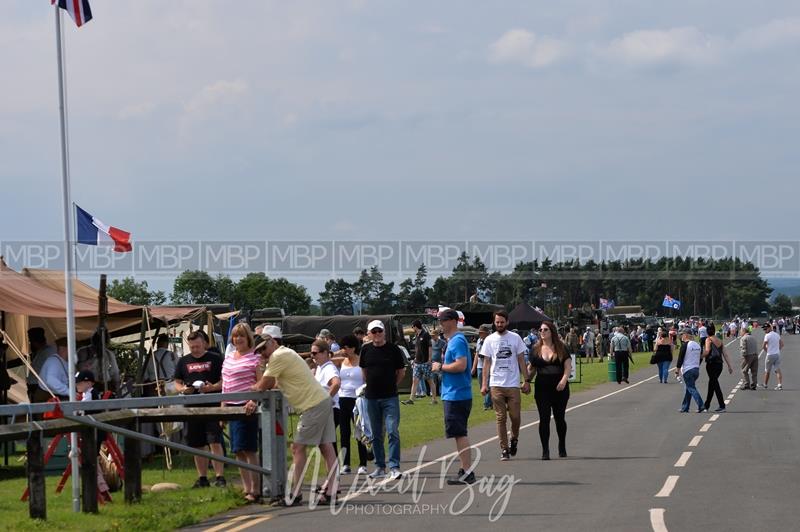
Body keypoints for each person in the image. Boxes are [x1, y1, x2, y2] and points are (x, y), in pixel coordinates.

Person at [251, 326, 339, 506]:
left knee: (298, 448)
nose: (262, 353)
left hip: (313, 405)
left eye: (263, 348)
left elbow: (265, 384)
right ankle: (332, 491)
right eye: (258, 351)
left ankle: (295, 493)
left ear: (273, 342)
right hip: (320, 401)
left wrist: (252, 388)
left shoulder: (278, 356)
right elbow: (276, 382)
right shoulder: (283, 354)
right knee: (326, 447)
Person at [174, 330, 226, 489]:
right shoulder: (183, 361)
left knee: (214, 441)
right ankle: (202, 477)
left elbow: (225, 380)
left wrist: (213, 388)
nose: (195, 350)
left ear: (204, 343)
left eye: (197, 346)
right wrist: (183, 389)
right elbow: (177, 381)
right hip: (192, 407)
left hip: (212, 405)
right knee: (197, 444)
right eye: (192, 347)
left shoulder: (216, 359)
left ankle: (219, 476)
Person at [432, 308, 475, 484]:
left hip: (457, 394)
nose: (440, 324)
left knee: (459, 433)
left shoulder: (456, 341)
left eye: (442, 320)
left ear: (451, 320)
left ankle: (466, 471)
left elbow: (461, 365)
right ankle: (465, 470)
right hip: (455, 393)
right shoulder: (454, 340)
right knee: (458, 433)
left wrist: (440, 367)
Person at [481, 310, 530, 461]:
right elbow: (487, 363)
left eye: (502, 322)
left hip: (513, 384)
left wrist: (526, 380)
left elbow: (521, 360)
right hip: (496, 384)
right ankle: (504, 449)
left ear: (507, 322)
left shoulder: (515, 338)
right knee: (500, 418)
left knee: (515, 417)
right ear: (494, 323)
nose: (500, 325)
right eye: (497, 322)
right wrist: (484, 384)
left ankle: (514, 439)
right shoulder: (489, 340)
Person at [359, 319, 406, 480]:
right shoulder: (365, 350)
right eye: (374, 332)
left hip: (390, 397)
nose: (377, 334)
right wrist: (370, 385)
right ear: (369, 334)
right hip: (371, 397)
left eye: (379, 331)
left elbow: (401, 371)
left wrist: (393, 385)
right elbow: (364, 371)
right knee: (375, 434)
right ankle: (380, 466)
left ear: (384, 332)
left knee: (392, 430)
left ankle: (394, 466)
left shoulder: (393, 349)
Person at [223, 323, 261, 503]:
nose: (238, 339)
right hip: (230, 405)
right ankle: (246, 487)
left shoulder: (255, 357)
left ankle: (255, 488)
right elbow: (225, 383)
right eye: (235, 336)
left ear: (248, 338)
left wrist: (254, 400)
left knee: (248, 449)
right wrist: (222, 407)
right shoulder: (229, 357)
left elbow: (261, 382)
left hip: (246, 406)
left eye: (241, 336)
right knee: (237, 450)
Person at [528, 320, 571, 460]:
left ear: (551, 331)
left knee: (559, 418)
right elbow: (532, 369)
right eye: (540, 330)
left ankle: (562, 445)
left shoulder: (562, 347)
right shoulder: (535, 349)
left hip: (559, 387)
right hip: (542, 387)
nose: (542, 332)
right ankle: (545, 450)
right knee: (544, 418)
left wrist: (564, 380)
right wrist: (526, 381)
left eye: (545, 330)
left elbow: (568, 367)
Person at [335, 335, 369, 476]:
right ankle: (346, 463)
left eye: (346, 347)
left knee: (359, 431)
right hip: (343, 398)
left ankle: (363, 463)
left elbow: (366, 380)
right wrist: (338, 353)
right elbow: (326, 358)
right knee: (344, 432)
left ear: (353, 347)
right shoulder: (341, 361)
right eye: (343, 347)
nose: (344, 350)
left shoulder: (361, 361)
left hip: (358, 398)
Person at [311, 340, 341, 476]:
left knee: (327, 446)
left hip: (331, 410)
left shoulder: (329, 368)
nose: (313, 356)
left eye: (315, 353)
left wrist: (326, 400)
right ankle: (332, 479)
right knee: (325, 446)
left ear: (325, 353)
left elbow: (336, 384)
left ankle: (333, 479)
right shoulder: (320, 368)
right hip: (325, 410)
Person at [403, 320, 437, 405]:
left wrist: (429, 359)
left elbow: (430, 347)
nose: (412, 328)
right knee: (415, 381)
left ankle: (434, 399)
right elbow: (418, 349)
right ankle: (411, 399)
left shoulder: (425, 335)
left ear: (415, 326)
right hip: (417, 363)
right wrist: (415, 358)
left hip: (425, 362)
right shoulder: (417, 335)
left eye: (412, 327)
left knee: (430, 380)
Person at [702, 323, 733, 412]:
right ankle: (706, 405)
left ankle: (722, 405)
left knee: (715, 384)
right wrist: (729, 366)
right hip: (719, 365)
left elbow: (707, 351)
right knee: (712, 384)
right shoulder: (719, 341)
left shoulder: (708, 340)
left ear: (707, 331)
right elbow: (725, 355)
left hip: (711, 364)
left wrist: (700, 356)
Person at [674, 328, 706, 413]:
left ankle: (701, 405)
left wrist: (677, 371)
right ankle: (685, 407)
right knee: (689, 388)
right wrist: (696, 365)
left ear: (686, 335)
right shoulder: (697, 345)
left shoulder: (685, 345)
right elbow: (701, 357)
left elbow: (680, 359)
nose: (681, 337)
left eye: (682, 335)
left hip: (688, 370)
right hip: (696, 369)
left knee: (691, 388)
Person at [26, 327, 56, 402]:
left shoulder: (48, 352)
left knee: (40, 411)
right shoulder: (41, 352)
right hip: (36, 388)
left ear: (34, 342)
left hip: (41, 388)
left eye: (30, 342)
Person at [471, 324, 493, 410]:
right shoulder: (479, 341)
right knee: (482, 386)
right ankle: (490, 402)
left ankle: (486, 404)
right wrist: (474, 367)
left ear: (486, 333)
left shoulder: (490, 341)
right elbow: (477, 354)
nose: (480, 334)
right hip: (480, 366)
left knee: (487, 384)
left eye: (482, 333)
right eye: (479, 333)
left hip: (488, 365)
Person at [762, 323, 784, 390]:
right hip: (777, 354)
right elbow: (782, 344)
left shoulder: (767, 335)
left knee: (767, 370)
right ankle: (779, 384)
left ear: (769, 328)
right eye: (764, 329)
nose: (764, 330)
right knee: (777, 370)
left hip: (770, 355)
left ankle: (765, 384)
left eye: (765, 329)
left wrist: (767, 351)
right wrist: (777, 349)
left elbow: (763, 346)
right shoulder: (777, 334)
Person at [430, 329, 446, 397]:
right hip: (432, 363)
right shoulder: (431, 342)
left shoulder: (442, 342)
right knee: (433, 379)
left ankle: (441, 392)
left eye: (433, 335)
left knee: (440, 378)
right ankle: (434, 393)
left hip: (440, 363)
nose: (432, 337)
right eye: (432, 336)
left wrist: (443, 362)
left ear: (437, 335)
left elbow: (444, 352)